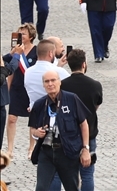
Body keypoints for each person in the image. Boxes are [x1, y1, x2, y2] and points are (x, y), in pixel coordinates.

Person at [48, 49, 101, 191]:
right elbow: (96, 106)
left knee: (58, 173)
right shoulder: (95, 85)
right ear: (84, 64)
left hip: (65, 135)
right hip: (89, 134)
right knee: (87, 174)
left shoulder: (63, 85)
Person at [28, 70, 90, 191]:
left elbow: (84, 124)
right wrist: (37, 132)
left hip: (67, 152)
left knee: (72, 187)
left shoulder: (71, 99)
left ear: (59, 82)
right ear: (43, 85)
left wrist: (85, 148)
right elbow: (32, 128)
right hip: (46, 152)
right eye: (47, 81)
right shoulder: (40, 104)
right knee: (41, 188)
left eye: (53, 80)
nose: (50, 84)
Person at [3, 23, 37, 160]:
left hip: (31, 89)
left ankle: (31, 148)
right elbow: (10, 71)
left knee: (33, 119)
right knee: (11, 118)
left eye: (23, 34)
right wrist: (8, 88)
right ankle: (10, 149)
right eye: (19, 33)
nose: (21, 36)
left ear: (31, 36)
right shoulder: (16, 51)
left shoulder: (36, 51)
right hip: (17, 88)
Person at [24, 39, 69, 107]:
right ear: (50, 53)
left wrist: (58, 66)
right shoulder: (59, 71)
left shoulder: (28, 72)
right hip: (52, 109)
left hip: (34, 109)